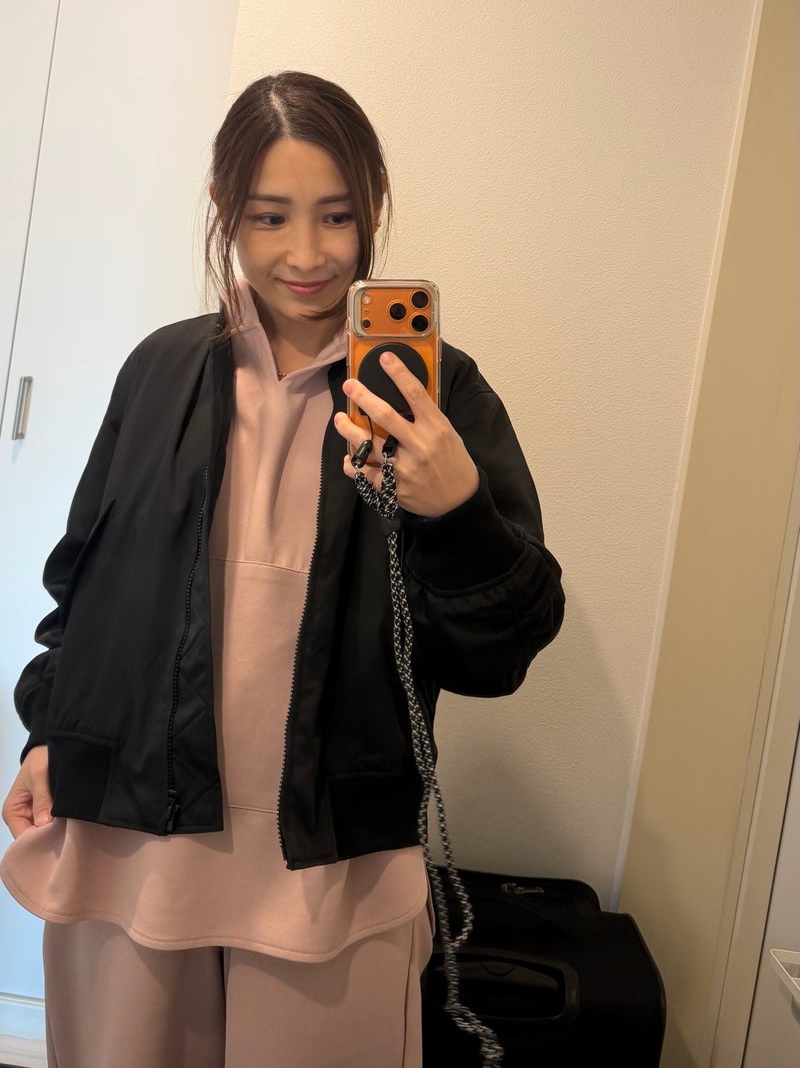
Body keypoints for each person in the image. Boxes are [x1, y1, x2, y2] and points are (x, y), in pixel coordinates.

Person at [1, 72, 564, 1068]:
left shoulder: (441, 392)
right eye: (269, 217)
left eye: (336, 216)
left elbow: (500, 653)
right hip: (134, 833)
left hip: (332, 860)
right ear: (226, 211)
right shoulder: (160, 370)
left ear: (373, 208)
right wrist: (48, 733)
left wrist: (458, 511)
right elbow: (84, 586)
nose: (306, 254)